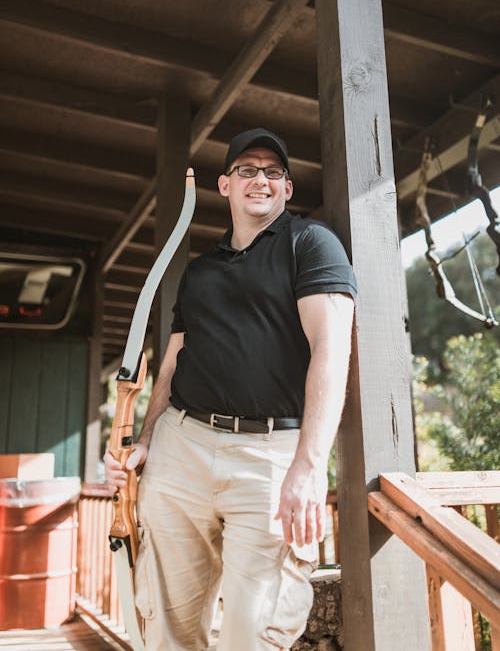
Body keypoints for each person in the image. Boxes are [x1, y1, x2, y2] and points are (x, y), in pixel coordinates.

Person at [105, 127, 356, 651]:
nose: (260, 179)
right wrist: (147, 439)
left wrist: (310, 467)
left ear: (287, 189)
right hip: (182, 448)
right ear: (224, 185)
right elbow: (174, 361)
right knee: (167, 630)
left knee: (255, 631)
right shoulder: (200, 272)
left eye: (273, 172)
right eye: (247, 169)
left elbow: (331, 351)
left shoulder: (310, 244)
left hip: (270, 458)